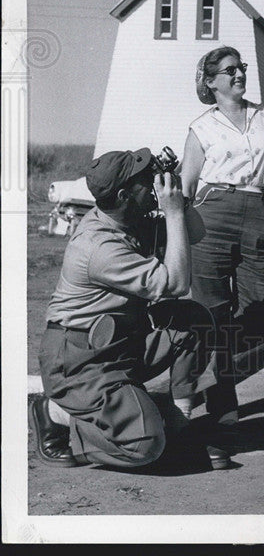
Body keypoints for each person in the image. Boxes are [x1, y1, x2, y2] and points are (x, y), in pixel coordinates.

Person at [31, 148, 224, 470]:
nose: (152, 184)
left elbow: (196, 234)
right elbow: (176, 284)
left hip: (120, 344)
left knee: (192, 320)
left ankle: (177, 423)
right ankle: (55, 414)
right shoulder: (98, 246)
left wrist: (179, 199)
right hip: (81, 361)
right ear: (124, 195)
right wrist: (173, 213)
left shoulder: (125, 218)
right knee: (145, 446)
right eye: (144, 181)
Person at [180, 46, 264, 435]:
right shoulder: (201, 128)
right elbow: (186, 185)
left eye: (241, 68)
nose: (239, 75)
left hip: (258, 213)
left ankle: (209, 369)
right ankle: (223, 403)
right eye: (229, 71)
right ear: (211, 82)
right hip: (210, 215)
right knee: (211, 313)